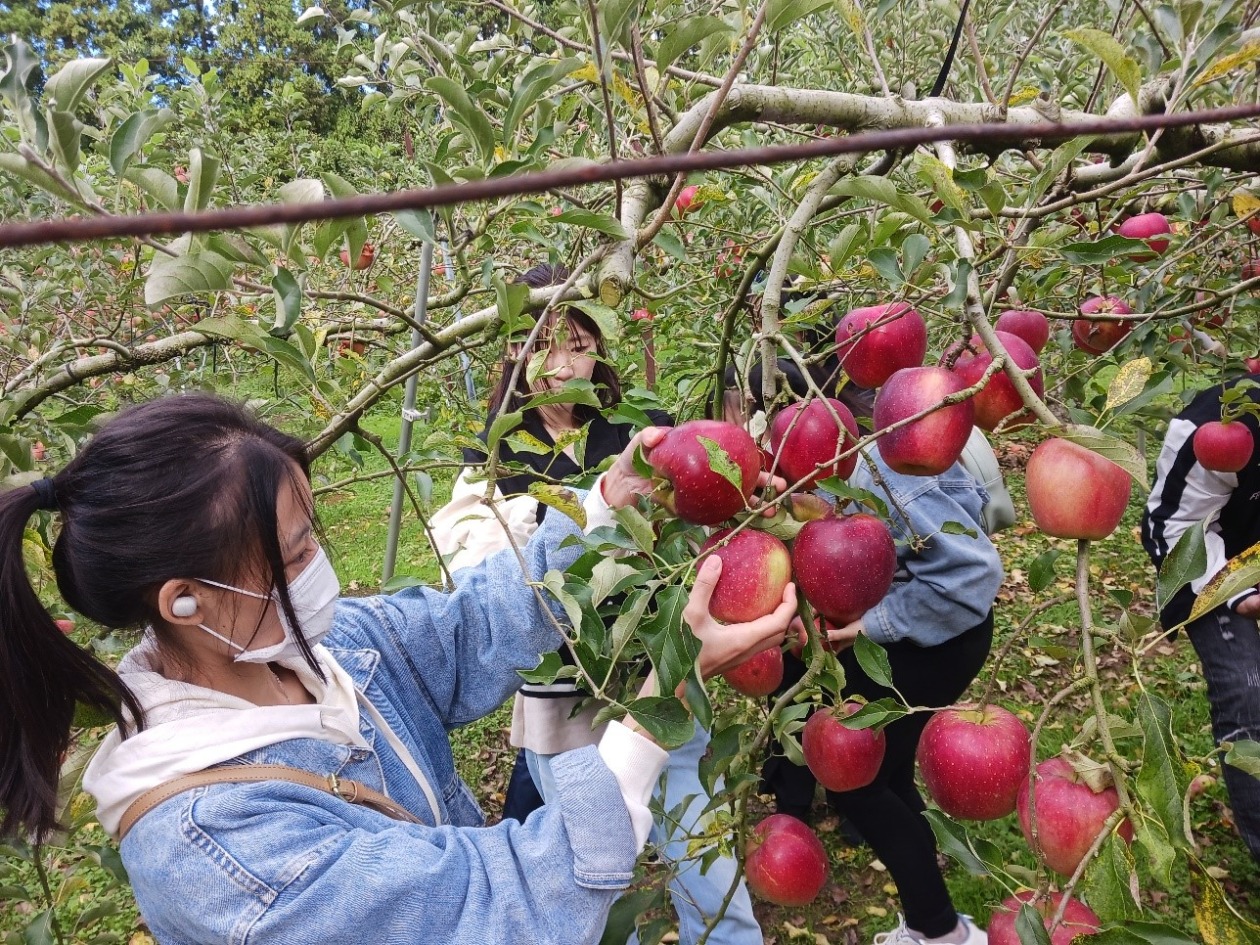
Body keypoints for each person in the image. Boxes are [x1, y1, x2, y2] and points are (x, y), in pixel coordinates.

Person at [0, 392, 796, 945]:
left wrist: (610, 509)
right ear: (186, 603)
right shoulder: (223, 851)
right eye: (298, 552)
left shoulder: (320, 651)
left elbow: (468, 626)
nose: (322, 567)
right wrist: (667, 691)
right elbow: (504, 906)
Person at [433, 263, 765, 945]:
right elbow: (471, 564)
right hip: (565, 705)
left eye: (581, 342)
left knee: (707, 868)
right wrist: (583, 513)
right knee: (595, 880)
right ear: (516, 354)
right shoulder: (499, 452)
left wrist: (739, 495)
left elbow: (701, 525)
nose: (564, 362)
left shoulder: (640, 428)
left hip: (660, 679)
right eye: (546, 343)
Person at [728, 359, 1002, 945]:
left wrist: (866, 624)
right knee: (890, 770)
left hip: (938, 640)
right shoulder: (826, 473)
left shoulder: (886, 469)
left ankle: (940, 929)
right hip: (915, 634)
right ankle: (926, 895)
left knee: (858, 787)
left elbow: (970, 577)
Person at [1141, 374, 1260, 864]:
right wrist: (1238, 594)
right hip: (1222, 576)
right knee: (1249, 689)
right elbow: (1173, 527)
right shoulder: (1217, 421)